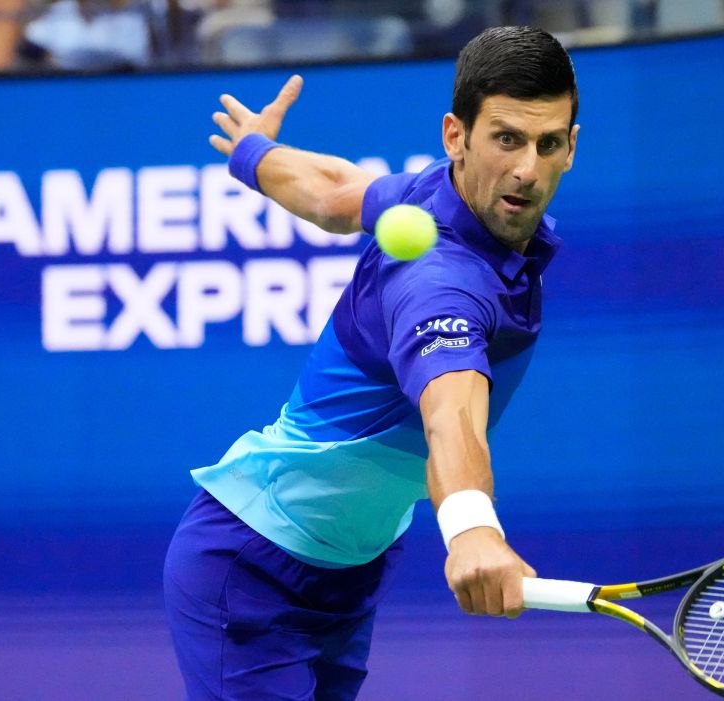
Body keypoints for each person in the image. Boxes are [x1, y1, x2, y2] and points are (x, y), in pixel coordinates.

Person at [163, 25, 580, 701]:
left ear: (571, 146)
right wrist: (474, 529)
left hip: (348, 570)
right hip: (250, 566)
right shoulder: (440, 282)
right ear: (457, 136)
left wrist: (254, 153)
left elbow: (335, 191)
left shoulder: (434, 193)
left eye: (548, 143)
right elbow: (452, 417)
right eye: (506, 139)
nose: (527, 169)